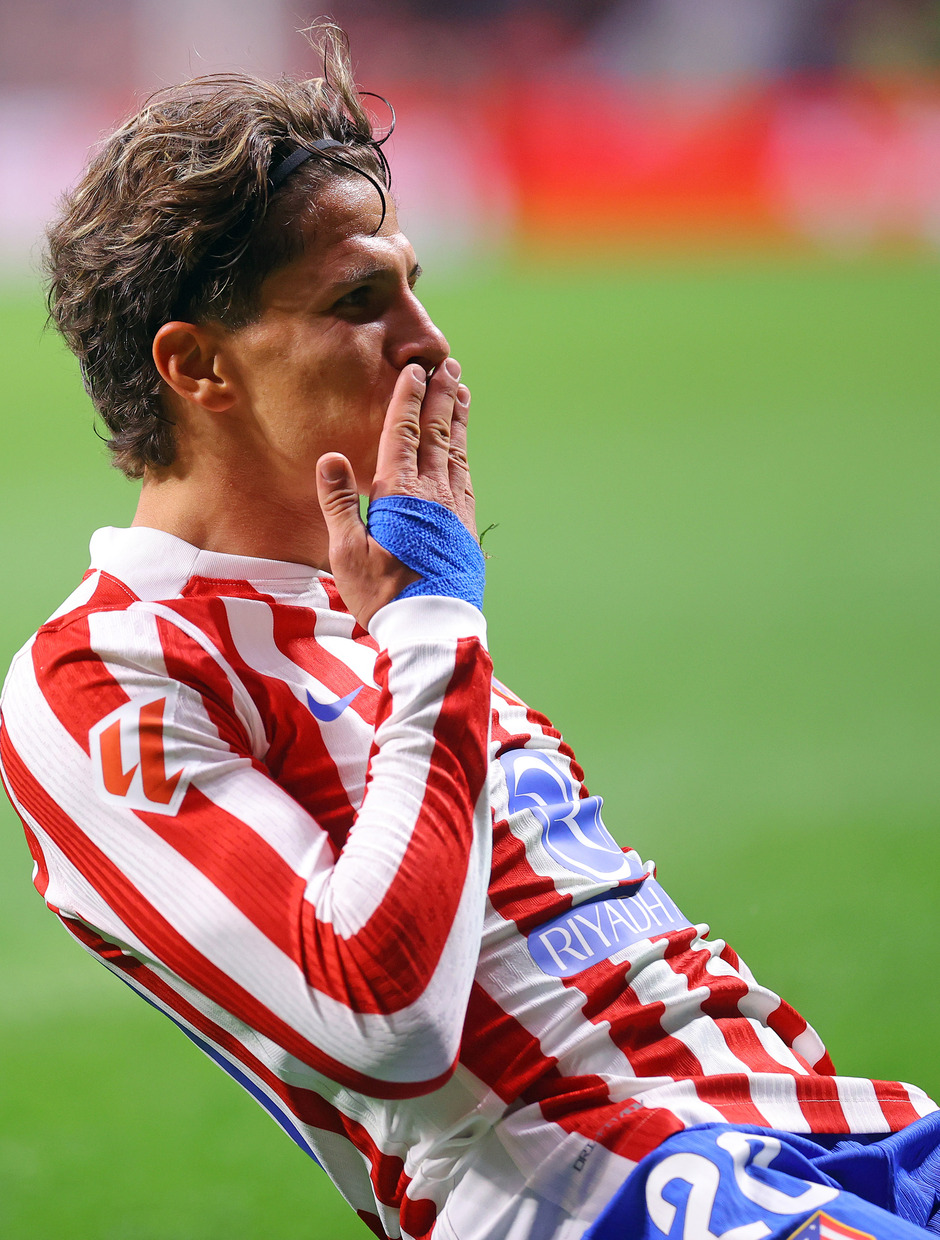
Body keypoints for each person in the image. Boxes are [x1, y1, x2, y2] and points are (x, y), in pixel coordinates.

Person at [1, 24, 938, 1240]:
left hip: (846, 1131)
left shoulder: (380, 596)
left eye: (412, 284)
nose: (430, 340)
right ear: (197, 366)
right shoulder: (106, 673)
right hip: (612, 1194)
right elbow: (380, 1026)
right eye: (358, 299)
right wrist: (435, 622)